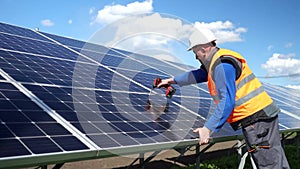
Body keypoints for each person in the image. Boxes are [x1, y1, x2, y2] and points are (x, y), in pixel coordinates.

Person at [158, 28, 290, 168]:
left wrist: (207, 129)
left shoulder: (221, 65)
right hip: (262, 115)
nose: (196, 57)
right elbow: (199, 74)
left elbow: (227, 101)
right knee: (276, 159)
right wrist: (171, 80)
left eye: (195, 52)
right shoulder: (219, 60)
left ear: (203, 48)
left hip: (255, 119)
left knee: (269, 163)